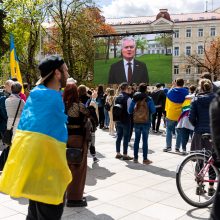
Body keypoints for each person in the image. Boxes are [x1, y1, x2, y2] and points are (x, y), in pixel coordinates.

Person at [0, 55, 72, 220]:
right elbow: (44, 141)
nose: (67, 74)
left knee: (34, 215)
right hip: (48, 176)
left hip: (35, 172)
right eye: (66, 70)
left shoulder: (36, 96)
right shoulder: (52, 99)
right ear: (57, 73)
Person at [63, 83, 91, 207]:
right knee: (78, 169)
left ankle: (64, 194)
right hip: (77, 139)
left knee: (64, 168)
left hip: (62, 139)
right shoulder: (79, 106)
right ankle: (74, 198)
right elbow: (91, 117)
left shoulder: (60, 106)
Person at [189, 79, 216, 196]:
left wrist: (197, 126)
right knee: (212, 161)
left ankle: (199, 186)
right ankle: (211, 187)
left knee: (200, 159)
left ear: (200, 87)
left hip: (199, 133)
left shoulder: (195, 100)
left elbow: (191, 118)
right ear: (211, 87)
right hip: (213, 133)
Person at [129, 83, 156, 164]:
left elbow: (130, 111)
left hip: (137, 122)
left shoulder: (134, 99)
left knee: (136, 140)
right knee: (145, 141)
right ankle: (145, 159)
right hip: (146, 121)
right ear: (145, 89)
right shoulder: (149, 99)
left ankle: (135, 158)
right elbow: (153, 110)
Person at [163, 78, 188, 153]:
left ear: (176, 83)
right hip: (180, 115)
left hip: (170, 114)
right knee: (179, 132)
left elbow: (167, 94)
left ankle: (168, 147)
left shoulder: (170, 91)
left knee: (169, 130)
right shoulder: (186, 92)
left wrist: (173, 85)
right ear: (183, 84)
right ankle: (177, 148)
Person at [114, 82, 133, 160]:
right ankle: (125, 154)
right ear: (126, 88)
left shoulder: (117, 97)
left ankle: (118, 153)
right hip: (126, 120)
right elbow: (130, 110)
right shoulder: (128, 98)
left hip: (118, 119)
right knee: (126, 137)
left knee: (118, 136)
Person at [176, 85, 196, 155]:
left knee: (184, 136)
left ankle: (184, 149)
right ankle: (193, 151)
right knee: (193, 137)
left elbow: (182, 108)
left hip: (184, 119)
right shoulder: (196, 98)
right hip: (192, 119)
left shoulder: (186, 99)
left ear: (190, 90)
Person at [209, 90, 220, 220]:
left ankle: (208, 186)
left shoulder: (216, 100)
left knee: (203, 162)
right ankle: (211, 186)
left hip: (200, 131)